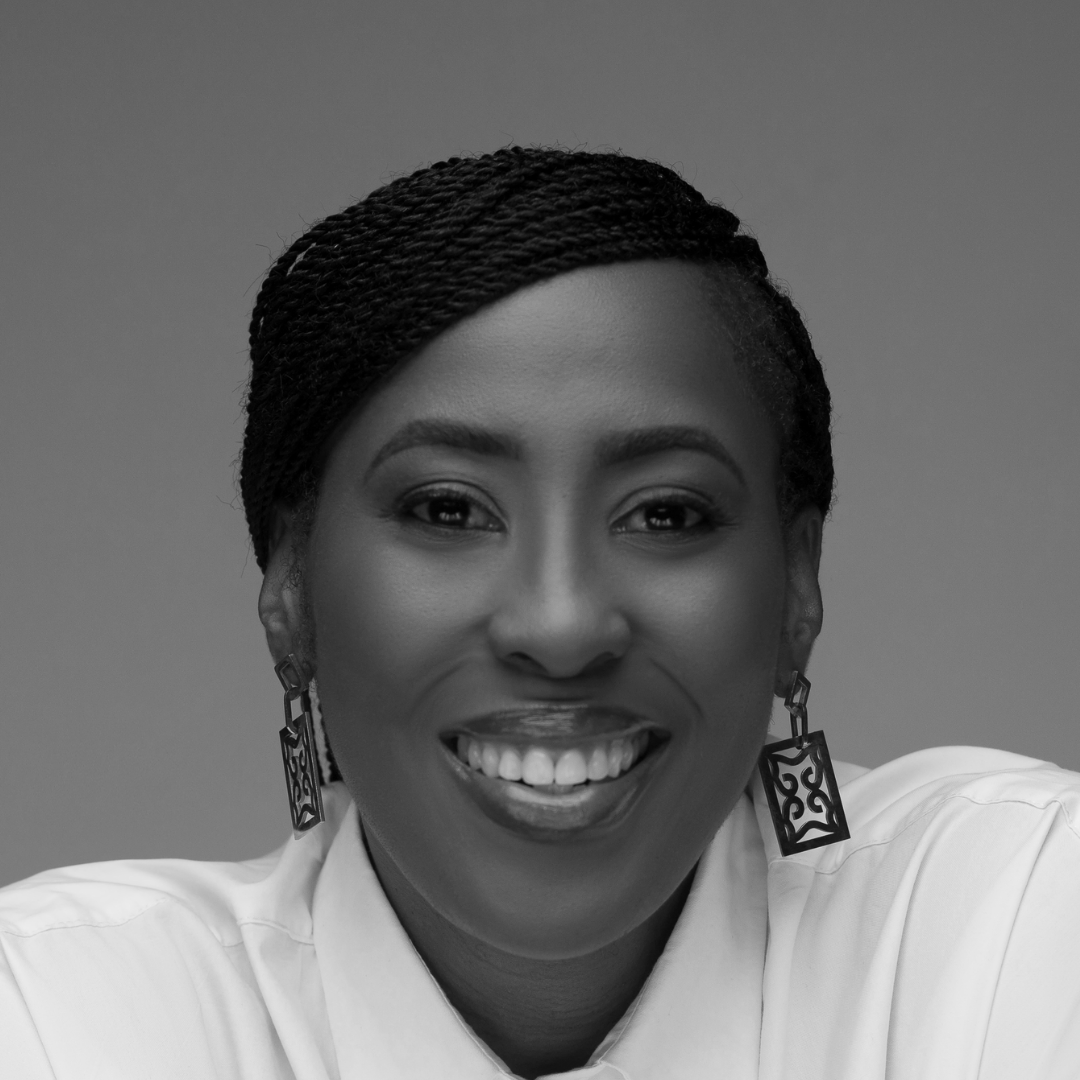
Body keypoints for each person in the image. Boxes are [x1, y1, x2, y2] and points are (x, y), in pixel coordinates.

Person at [2, 147, 1078, 1080]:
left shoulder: (1005, 922)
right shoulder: (63, 1016)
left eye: (664, 513)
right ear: (290, 588)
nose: (561, 627)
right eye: (447, 509)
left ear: (798, 587)